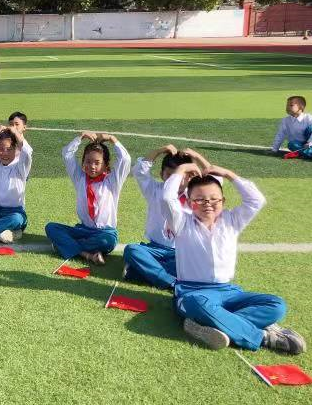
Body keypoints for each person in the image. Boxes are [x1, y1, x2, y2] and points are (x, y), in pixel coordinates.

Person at [165, 163, 306, 354]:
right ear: (190, 203)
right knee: (196, 305)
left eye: (214, 199)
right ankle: (263, 336)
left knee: (276, 305)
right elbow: (167, 198)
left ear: (223, 201)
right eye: (199, 199)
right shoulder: (181, 222)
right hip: (192, 292)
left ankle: (211, 324)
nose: (207, 203)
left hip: (229, 292)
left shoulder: (232, 220)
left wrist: (229, 174)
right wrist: (181, 170)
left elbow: (256, 200)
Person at [46, 132, 131, 265]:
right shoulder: (79, 178)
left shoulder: (112, 181)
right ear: (83, 162)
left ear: (105, 164)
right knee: (51, 228)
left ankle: (68, 246)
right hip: (83, 230)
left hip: (105, 232)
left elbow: (125, 160)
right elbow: (67, 155)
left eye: (97, 163)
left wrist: (112, 139)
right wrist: (80, 137)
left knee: (107, 241)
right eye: (88, 162)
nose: (92, 166)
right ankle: (87, 254)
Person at [122, 145, 200, 289]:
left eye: (179, 176)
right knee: (131, 250)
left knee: (197, 264)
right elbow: (139, 171)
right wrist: (159, 151)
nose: (174, 181)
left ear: (190, 177)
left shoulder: (195, 196)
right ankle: (171, 282)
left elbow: (213, 182)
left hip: (180, 252)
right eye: (169, 175)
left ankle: (141, 272)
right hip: (153, 249)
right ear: (161, 174)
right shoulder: (155, 190)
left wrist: (196, 158)